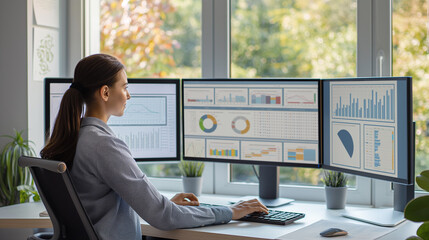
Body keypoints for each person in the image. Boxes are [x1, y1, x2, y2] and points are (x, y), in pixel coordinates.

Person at [40, 53, 268, 240]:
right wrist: (231, 212)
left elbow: (98, 202)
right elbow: (164, 218)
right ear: (105, 92)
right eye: (125, 87)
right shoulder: (103, 145)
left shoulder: (75, 136)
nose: (128, 95)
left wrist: (161, 203)